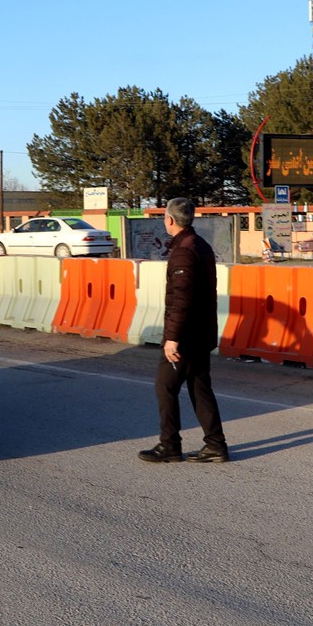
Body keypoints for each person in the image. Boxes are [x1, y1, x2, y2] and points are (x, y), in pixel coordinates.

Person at [139, 198, 229, 464]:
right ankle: (215, 445)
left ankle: (169, 445)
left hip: (187, 336)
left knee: (164, 387)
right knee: (200, 388)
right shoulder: (200, 245)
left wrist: (172, 339)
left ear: (169, 220)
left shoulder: (184, 251)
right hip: (202, 332)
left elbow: (181, 299)